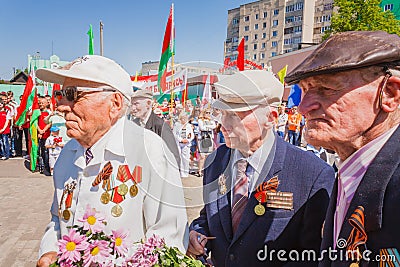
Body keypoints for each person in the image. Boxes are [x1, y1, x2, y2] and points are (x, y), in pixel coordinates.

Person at [36, 55, 188, 267]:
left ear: (114, 104)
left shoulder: (150, 151)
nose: (60, 106)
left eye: (72, 95)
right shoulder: (67, 153)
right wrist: (50, 251)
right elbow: (57, 219)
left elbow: (168, 240)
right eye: (60, 95)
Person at [188, 70, 335, 267]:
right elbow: (209, 216)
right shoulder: (215, 161)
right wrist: (197, 232)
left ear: (271, 117)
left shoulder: (312, 174)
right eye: (222, 114)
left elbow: (314, 255)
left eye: (235, 115)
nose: (224, 125)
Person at [285, 30, 400, 266]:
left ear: (390, 94)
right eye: (305, 90)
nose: (304, 107)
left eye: (326, 89)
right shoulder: (355, 163)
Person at [130, 89, 181, 171]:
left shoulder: (160, 126)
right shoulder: (133, 124)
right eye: (132, 104)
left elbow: (174, 158)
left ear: (148, 104)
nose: (133, 108)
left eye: (136, 104)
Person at [173, 113, 194, 178]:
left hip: (186, 144)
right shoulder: (177, 125)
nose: (184, 120)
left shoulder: (189, 126)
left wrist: (188, 140)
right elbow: (174, 134)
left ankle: (185, 173)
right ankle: (179, 172)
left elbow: (192, 135)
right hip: (179, 143)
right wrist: (181, 140)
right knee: (179, 157)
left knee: (185, 158)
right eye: (183, 118)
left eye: (185, 118)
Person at [197, 109, 216, 176]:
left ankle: (206, 170)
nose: (208, 114)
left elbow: (214, 126)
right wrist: (209, 127)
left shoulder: (211, 120)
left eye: (209, 112)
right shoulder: (200, 120)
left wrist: (206, 126)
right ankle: (199, 170)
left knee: (208, 156)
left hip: (209, 139)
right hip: (202, 139)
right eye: (206, 113)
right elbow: (202, 128)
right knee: (202, 156)